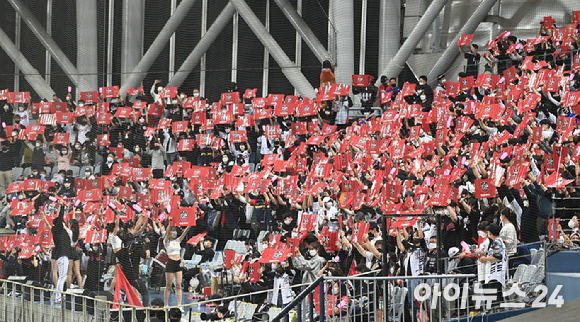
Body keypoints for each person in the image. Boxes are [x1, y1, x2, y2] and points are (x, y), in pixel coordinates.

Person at [478, 223, 507, 309]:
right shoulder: (497, 242)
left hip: (495, 274)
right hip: (495, 274)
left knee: (495, 299)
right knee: (496, 298)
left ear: (490, 233)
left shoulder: (497, 242)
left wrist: (484, 259)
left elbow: (497, 257)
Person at [163, 220, 191, 308]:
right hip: (170, 262)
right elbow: (167, 232)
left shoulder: (178, 241)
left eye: (175, 230)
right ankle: (166, 304)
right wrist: (171, 222)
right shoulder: (166, 241)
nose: (174, 232)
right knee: (169, 285)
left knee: (178, 285)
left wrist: (190, 223)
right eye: (172, 230)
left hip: (178, 263)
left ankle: (180, 305)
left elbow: (185, 232)